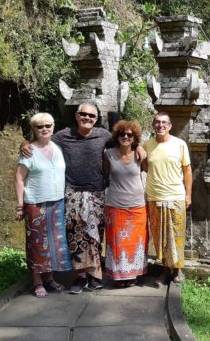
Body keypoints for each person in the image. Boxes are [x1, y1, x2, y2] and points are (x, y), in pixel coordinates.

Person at [20, 102, 145, 294]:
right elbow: (42, 139)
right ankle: (80, 276)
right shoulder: (63, 136)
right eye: (84, 114)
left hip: (96, 193)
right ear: (77, 116)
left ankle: (95, 275)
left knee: (94, 236)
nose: (87, 118)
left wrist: (140, 148)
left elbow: (125, 142)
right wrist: (25, 143)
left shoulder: (103, 135)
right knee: (75, 234)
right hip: (72, 192)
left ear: (96, 120)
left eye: (92, 116)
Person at [15, 112, 72, 298]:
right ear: (33, 129)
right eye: (39, 127)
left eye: (48, 125)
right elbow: (19, 178)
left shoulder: (58, 147)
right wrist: (20, 205)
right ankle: (37, 281)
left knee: (54, 243)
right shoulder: (29, 151)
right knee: (37, 245)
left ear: (53, 127)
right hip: (36, 203)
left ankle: (49, 278)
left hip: (56, 202)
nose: (44, 129)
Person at [142, 112, 192, 285]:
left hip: (176, 196)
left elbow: (187, 171)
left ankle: (177, 269)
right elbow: (144, 167)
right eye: (157, 122)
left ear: (170, 126)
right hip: (154, 197)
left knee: (176, 236)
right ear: (153, 125)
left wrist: (188, 195)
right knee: (160, 237)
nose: (160, 125)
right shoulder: (147, 145)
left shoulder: (180, 144)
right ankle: (164, 270)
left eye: (164, 123)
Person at [102, 120, 148, 287]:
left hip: (137, 205)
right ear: (117, 136)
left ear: (135, 138)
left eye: (129, 134)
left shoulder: (140, 155)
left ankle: (133, 275)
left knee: (136, 242)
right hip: (115, 205)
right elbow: (105, 175)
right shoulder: (108, 154)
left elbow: (150, 170)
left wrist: (141, 148)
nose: (126, 137)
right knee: (117, 242)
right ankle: (119, 275)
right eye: (122, 134)